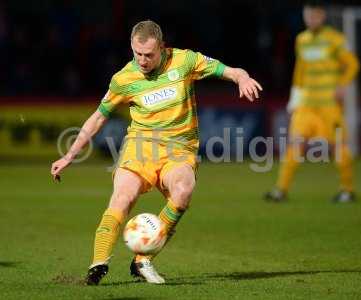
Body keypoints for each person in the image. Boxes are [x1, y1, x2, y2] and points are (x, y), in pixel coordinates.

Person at [51, 20, 262, 285]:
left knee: (183, 192)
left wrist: (242, 78)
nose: (142, 60)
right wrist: (69, 155)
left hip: (179, 149)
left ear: (162, 47)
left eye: (149, 54)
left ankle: (142, 260)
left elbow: (231, 71)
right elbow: (98, 117)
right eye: (137, 54)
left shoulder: (185, 61)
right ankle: (98, 265)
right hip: (140, 147)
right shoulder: (123, 79)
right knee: (123, 197)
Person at [265, 1, 359, 203]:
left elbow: (352, 65)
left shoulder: (335, 39)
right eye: (308, 15)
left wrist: (342, 85)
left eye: (315, 15)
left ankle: (347, 190)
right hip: (306, 105)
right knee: (294, 145)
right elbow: (300, 70)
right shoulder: (302, 39)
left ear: (322, 16)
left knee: (338, 145)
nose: (311, 19)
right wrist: (294, 99)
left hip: (328, 105)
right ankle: (280, 190)